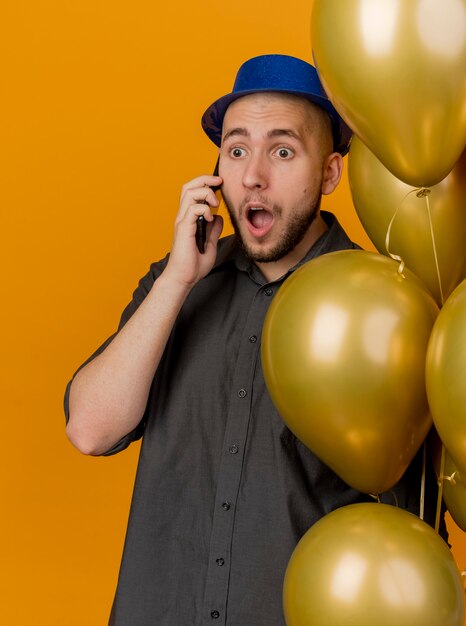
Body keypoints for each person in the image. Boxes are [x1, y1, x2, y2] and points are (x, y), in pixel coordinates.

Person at [65, 54, 441, 626]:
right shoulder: (177, 285)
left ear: (331, 173)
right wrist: (177, 281)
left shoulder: (386, 314)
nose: (252, 176)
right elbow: (90, 429)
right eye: (236, 150)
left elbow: (409, 537)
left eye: (283, 151)